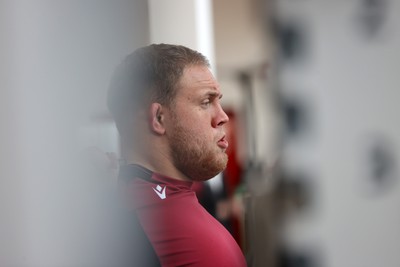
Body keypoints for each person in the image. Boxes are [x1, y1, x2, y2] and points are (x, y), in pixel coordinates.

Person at [107, 43, 247, 266]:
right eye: (206, 102)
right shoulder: (135, 219)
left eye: (218, 101)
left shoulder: (162, 202)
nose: (223, 117)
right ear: (159, 119)